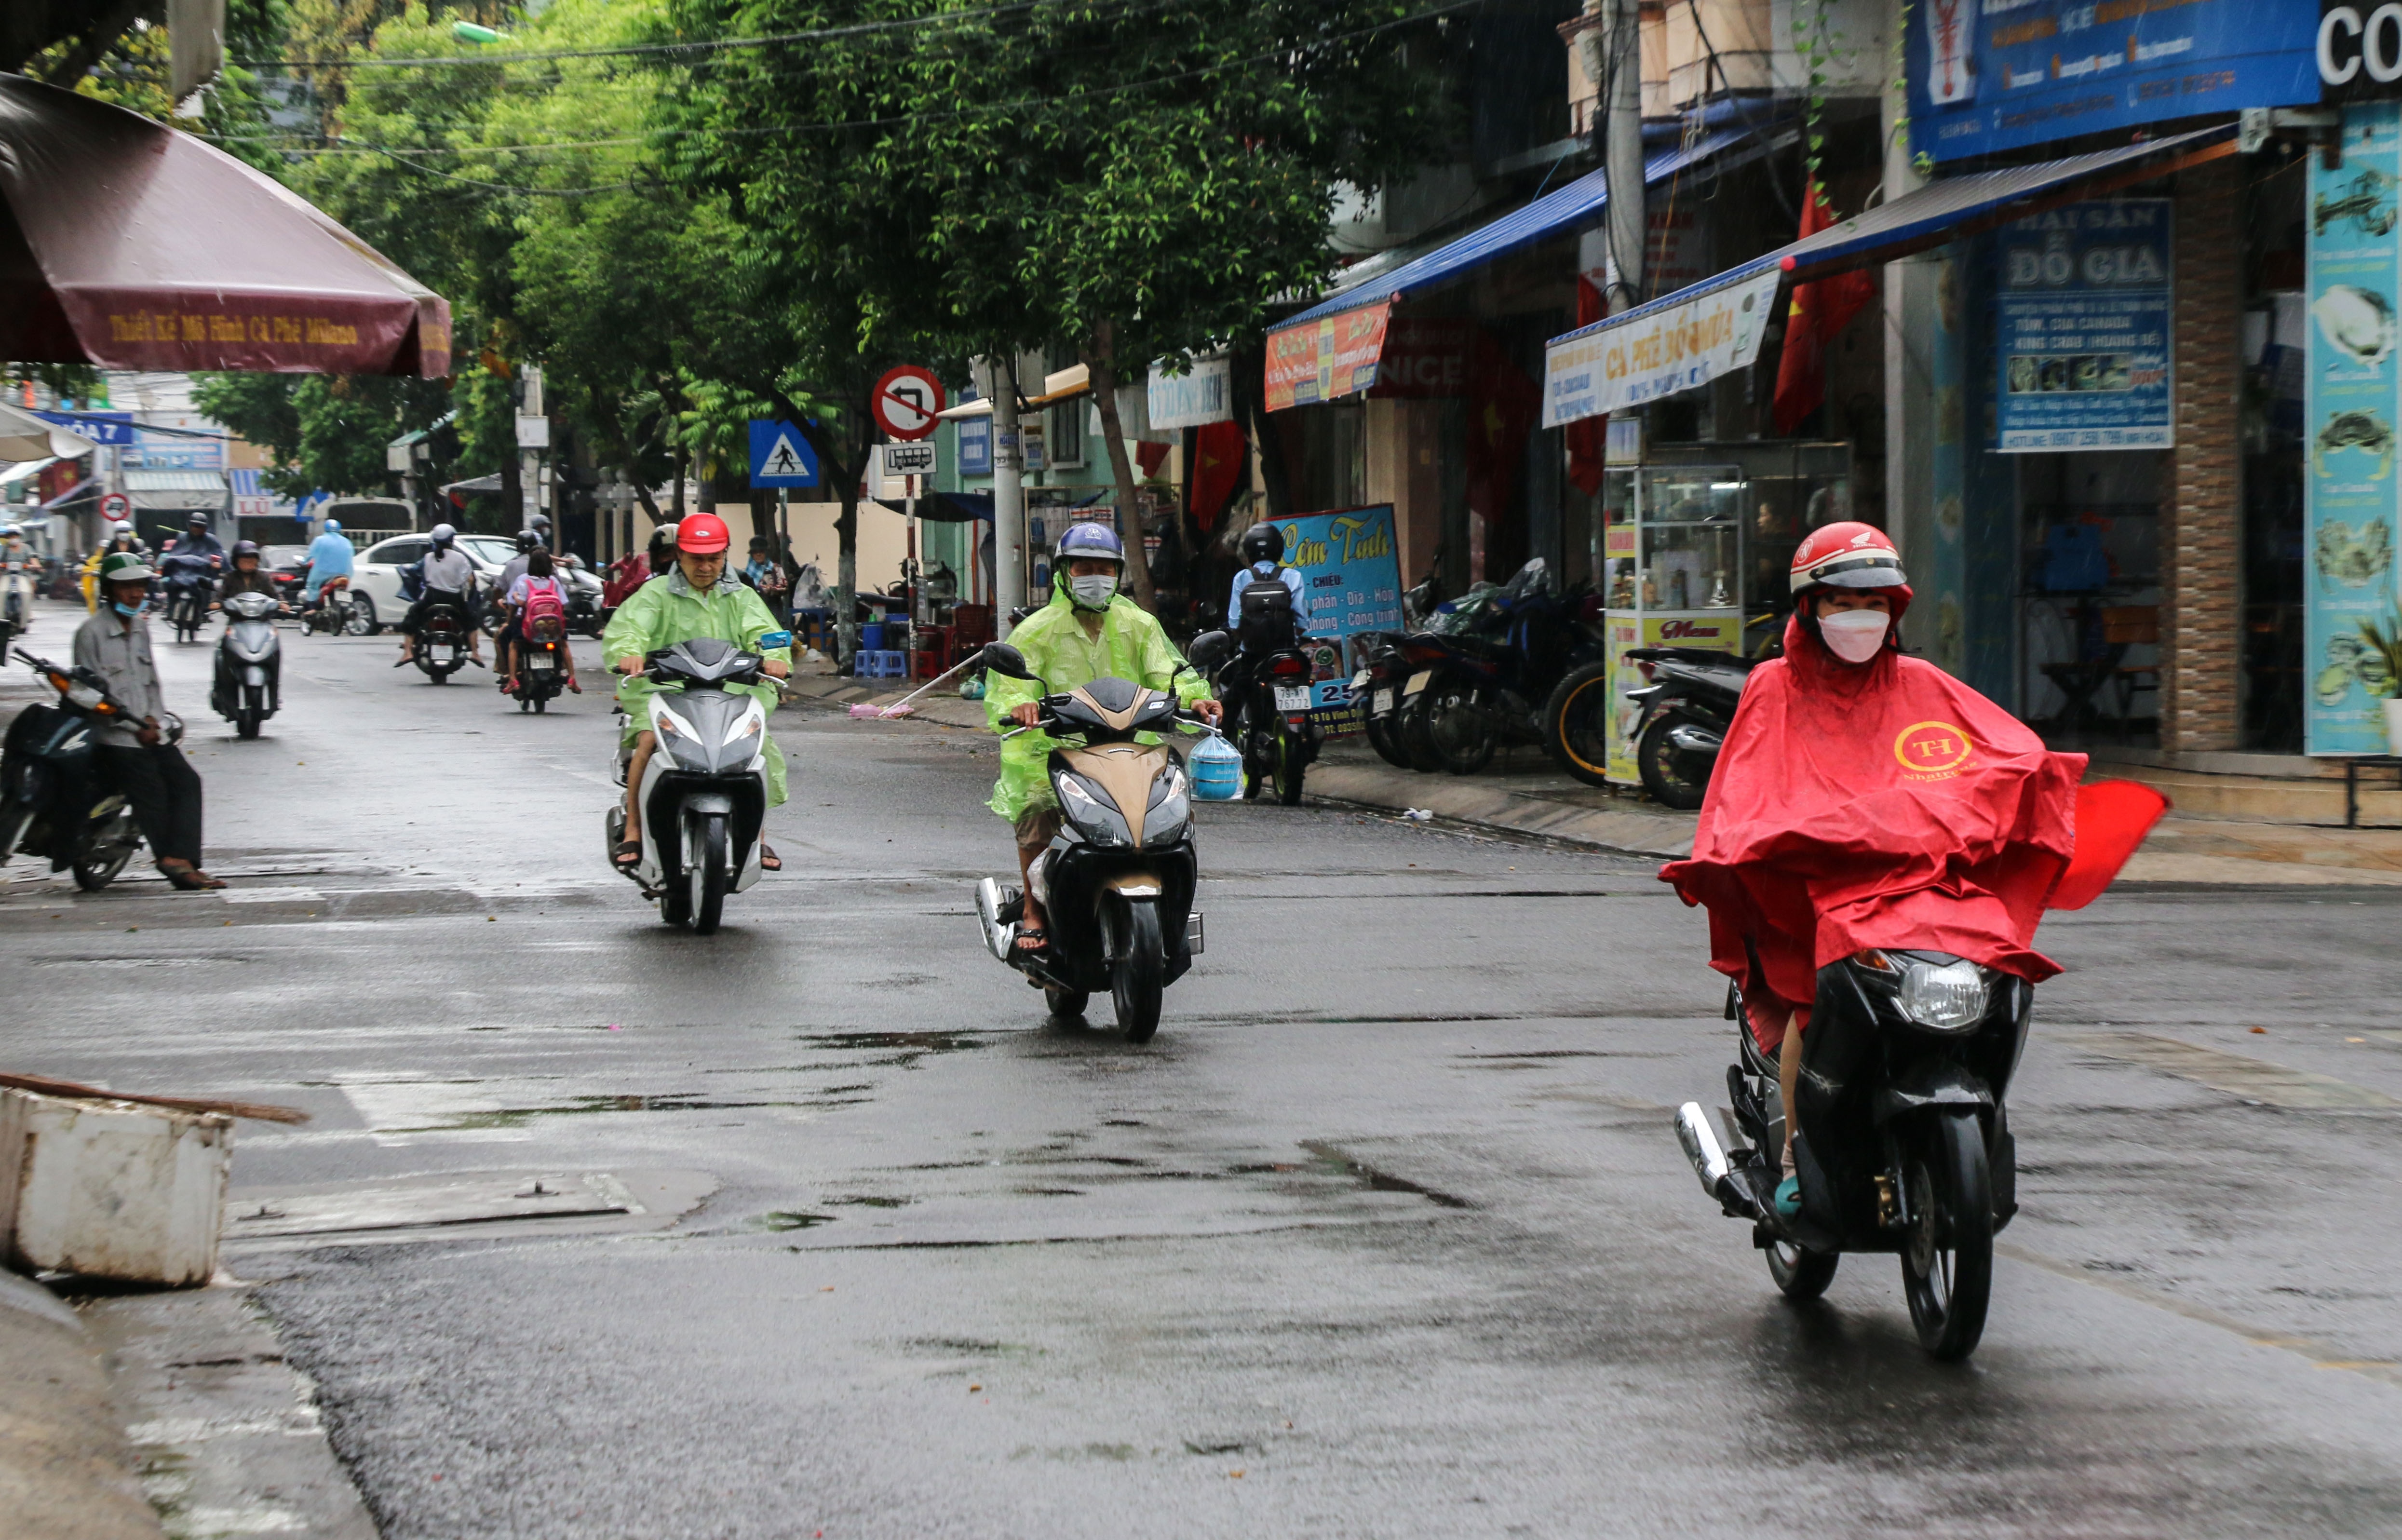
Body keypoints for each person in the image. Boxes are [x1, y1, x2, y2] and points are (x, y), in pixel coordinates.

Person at [1658, 523, 2084, 1220]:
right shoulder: (1773, 687)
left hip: (1922, 886)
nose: (1860, 616)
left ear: (1895, 610)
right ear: (1808, 609)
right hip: (1819, 890)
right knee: (1810, 1003)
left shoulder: (1922, 684)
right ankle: (1797, 1157)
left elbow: (2005, 752)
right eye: (1840, 602)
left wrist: (2015, 791)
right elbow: (1745, 792)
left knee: (1993, 960)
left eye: (1876, 603)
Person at [985, 521, 1221, 955]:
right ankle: (1034, 911)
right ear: (1064, 573)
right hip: (1053, 750)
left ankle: (1169, 906)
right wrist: (1022, 704)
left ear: (1117, 575)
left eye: (1105, 569)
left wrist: (1197, 699)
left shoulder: (1139, 624)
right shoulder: (1037, 630)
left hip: (1130, 748)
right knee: (1037, 810)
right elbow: (1009, 686)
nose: (1096, 577)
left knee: (1170, 815)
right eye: (1084, 568)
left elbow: (1172, 673)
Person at [601, 513, 789, 870]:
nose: (705, 567)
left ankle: (760, 837)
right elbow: (630, 628)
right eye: (696, 559)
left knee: (756, 747)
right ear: (680, 557)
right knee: (647, 741)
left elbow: (767, 634)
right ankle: (633, 829)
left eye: (713, 559)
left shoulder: (742, 597)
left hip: (730, 693)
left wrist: (775, 657)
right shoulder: (655, 593)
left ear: (725, 557)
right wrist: (630, 653)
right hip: (663, 690)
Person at [76, 553, 223, 890]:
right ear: (110, 590)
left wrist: (155, 724)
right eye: (127, 587)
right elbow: (92, 695)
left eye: (140, 586)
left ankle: (186, 858)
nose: (135, 594)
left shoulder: (141, 628)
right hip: (114, 738)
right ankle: (169, 860)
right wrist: (134, 727)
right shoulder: (91, 634)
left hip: (150, 732)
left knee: (187, 782)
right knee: (152, 789)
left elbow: (151, 683)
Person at [398, 523, 485, 667]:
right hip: (455, 598)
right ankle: (475, 653)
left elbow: (415, 572)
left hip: (432, 597)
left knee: (412, 618)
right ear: (451, 540)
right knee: (471, 622)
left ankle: (407, 652)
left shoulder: (428, 558)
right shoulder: (460, 558)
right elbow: (470, 580)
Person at [502, 548, 581, 697]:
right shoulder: (554, 582)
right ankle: (572, 677)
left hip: (528, 625)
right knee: (563, 644)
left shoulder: (524, 581)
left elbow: (519, 604)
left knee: (514, 644)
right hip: (551, 625)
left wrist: (516, 598)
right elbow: (562, 604)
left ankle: (512, 679)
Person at [302, 518, 354, 608]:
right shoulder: (347, 542)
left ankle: (312, 608)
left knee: (312, 586)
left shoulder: (320, 540)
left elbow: (310, 555)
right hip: (345, 574)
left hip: (323, 573)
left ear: (326, 528)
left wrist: (304, 562)